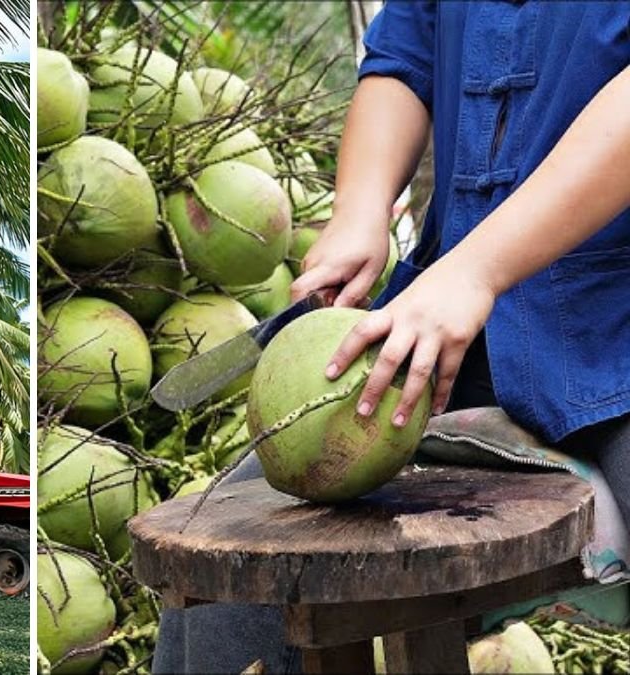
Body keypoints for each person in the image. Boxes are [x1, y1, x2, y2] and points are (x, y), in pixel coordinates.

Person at [153, 2, 630, 672]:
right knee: (226, 577)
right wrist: (360, 207)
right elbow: (404, 57)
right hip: (443, 344)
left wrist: (477, 270)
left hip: (615, 339)